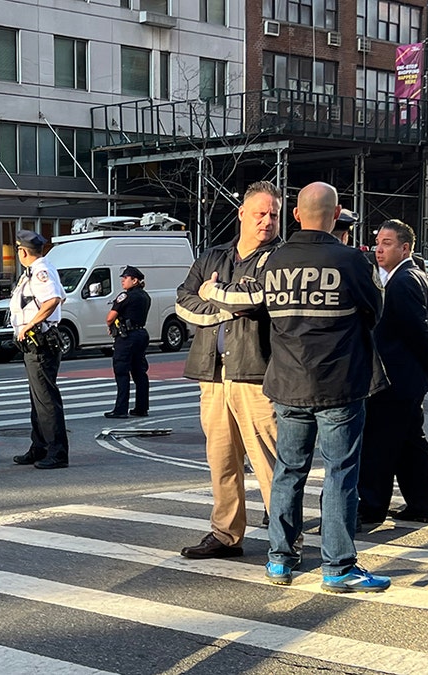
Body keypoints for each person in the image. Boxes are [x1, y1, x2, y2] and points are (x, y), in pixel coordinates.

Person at [202, 181, 391, 593]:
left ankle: (279, 561)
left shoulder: (273, 262)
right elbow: (375, 312)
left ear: (295, 215)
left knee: (288, 471)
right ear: (337, 212)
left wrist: (209, 289)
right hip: (340, 383)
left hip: (286, 382)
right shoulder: (352, 262)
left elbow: (245, 305)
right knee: (341, 474)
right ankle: (338, 566)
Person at [175, 180, 282, 560]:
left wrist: (213, 293)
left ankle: (285, 540)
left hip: (257, 374)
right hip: (213, 375)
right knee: (221, 459)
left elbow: (257, 299)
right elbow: (182, 304)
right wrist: (222, 306)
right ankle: (225, 534)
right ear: (241, 214)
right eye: (260, 214)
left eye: (273, 214)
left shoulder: (279, 258)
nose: (267, 221)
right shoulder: (212, 255)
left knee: (270, 461)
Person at [358, 220, 428, 525]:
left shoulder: (403, 281)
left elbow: (418, 331)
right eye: (378, 242)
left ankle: (372, 506)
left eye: (387, 243)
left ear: (405, 247)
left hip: (397, 379)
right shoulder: (413, 275)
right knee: (409, 444)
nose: (379, 249)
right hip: (408, 378)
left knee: (381, 444)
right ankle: (419, 505)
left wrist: (427, 365)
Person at [9, 230, 69, 470]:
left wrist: (31, 324)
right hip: (36, 341)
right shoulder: (35, 271)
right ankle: (40, 446)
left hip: (41, 341)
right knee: (38, 399)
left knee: (46, 399)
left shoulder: (41, 271)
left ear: (23, 252)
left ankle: (57, 451)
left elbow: (53, 299)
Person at [105, 265, 151, 419]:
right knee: (139, 372)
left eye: (126, 278)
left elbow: (110, 317)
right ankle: (141, 408)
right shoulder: (145, 296)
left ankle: (120, 409)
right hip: (141, 334)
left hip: (127, 337)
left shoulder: (125, 296)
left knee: (122, 371)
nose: (123, 281)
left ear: (135, 280)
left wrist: (111, 325)